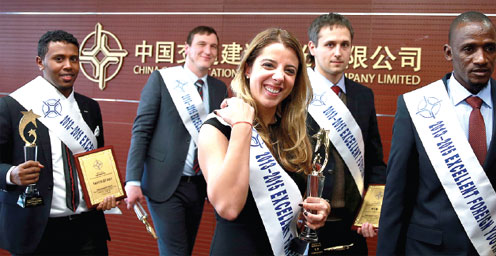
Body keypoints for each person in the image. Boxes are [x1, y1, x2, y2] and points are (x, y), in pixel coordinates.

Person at [198, 28, 330, 256]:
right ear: (248, 69)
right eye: (268, 65)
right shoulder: (219, 126)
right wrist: (242, 126)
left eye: (289, 71)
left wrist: (316, 212)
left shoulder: (295, 133)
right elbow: (228, 207)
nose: (279, 76)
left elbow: (294, 206)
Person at [377, 11, 496, 255]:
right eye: (469, 49)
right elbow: (397, 195)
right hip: (428, 248)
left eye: (489, 48)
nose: (481, 59)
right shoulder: (415, 106)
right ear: (448, 52)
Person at [0, 30, 117, 255]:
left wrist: (106, 192)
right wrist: (11, 174)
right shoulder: (12, 107)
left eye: (74, 59)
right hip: (37, 230)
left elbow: (96, 160)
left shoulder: (90, 107)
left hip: (87, 227)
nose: (68, 66)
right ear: (40, 62)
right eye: (59, 58)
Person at [125, 26, 228, 255]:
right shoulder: (163, 79)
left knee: (186, 248)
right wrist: (132, 180)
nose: (208, 51)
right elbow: (141, 130)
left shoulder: (219, 88)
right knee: (175, 251)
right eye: (201, 44)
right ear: (187, 49)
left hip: (200, 185)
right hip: (165, 183)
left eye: (213, 46)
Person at [306, 13, 386, 254]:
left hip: (351, 224)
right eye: (330, 44)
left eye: (344, 45)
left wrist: (373, 210)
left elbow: (375, 162)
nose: (338, 52)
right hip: (306, 219)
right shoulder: (296, 94)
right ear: (312, 48)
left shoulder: (363, 96)